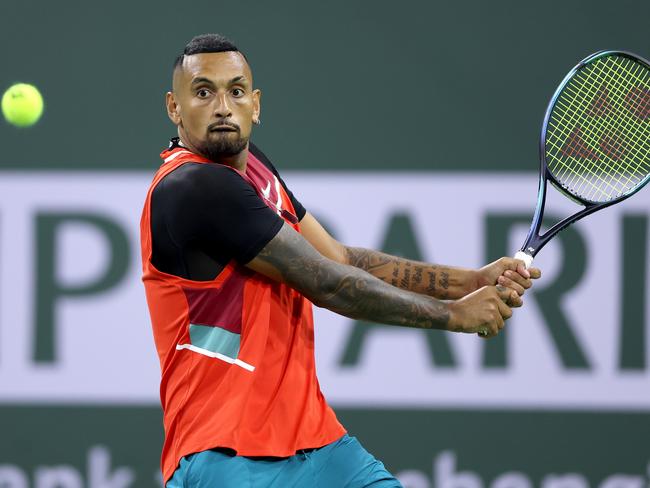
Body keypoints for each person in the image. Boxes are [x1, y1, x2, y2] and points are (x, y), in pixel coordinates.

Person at [139, 33, 541, 488]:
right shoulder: (193, 188)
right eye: (204, 92)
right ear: (174, 107)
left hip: (317, 443)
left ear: (256, 104)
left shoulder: (254, 167)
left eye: (235, 91)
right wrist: (455, 316)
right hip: (226, 456)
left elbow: (341, 256)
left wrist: (468, 280)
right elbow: (329, 282)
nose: (223, 107)